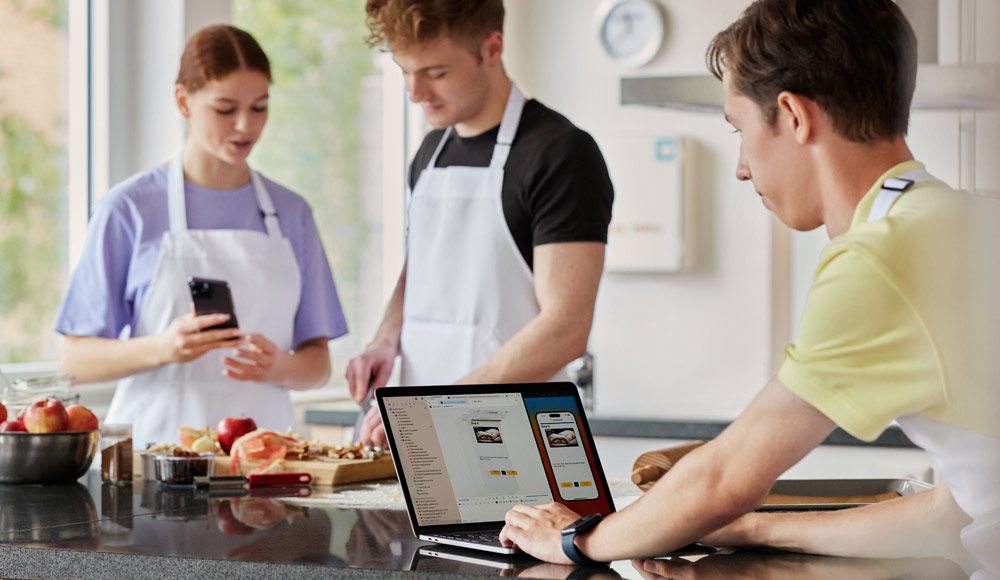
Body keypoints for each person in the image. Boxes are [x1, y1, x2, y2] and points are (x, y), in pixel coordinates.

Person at [498, 1, 1000, 576]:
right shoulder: (963, 221)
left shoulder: (880, 258)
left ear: (792, 115)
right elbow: (956, 513)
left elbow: (725, 479)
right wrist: (754, 528)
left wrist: (578, 539)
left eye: (739, 129)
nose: (741, 166)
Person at [55, 25, 348, 449]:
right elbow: (74, 361)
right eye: (225, 109)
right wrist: (163, 347)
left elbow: (317, 363)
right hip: (154, 463)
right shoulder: (130, 208)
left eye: (260, 107)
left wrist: (278, 366)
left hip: (264, 464)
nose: (245, 125)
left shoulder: (292, 213)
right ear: (183, 101)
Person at [347, 0, 614, 446]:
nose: (416, 92)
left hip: (518, 439)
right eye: (404, 71)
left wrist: (441, 407)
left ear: (492, 48)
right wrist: (384, 340)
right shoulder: (429, 153)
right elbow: (424, 268)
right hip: (425, 432)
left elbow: (566, 328)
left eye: (435, 73)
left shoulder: (561, 154)